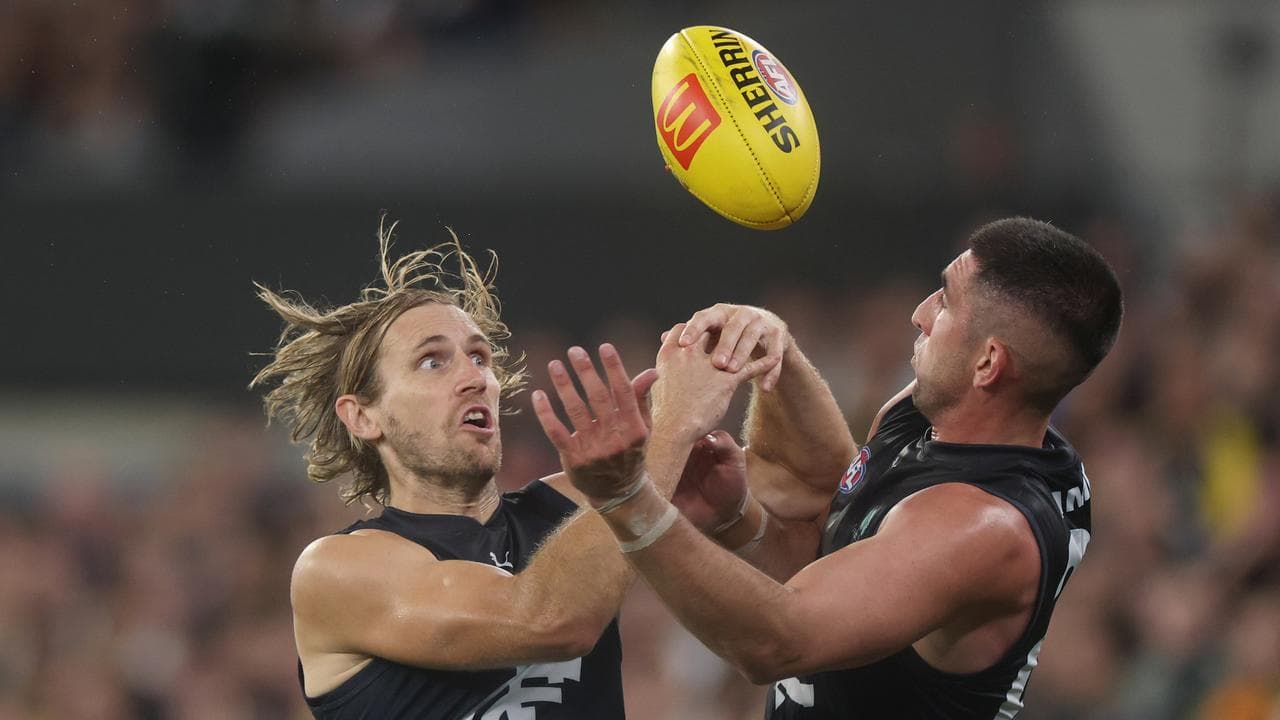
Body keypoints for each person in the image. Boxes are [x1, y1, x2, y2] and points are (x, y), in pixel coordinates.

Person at [542, 217, 1124, 718]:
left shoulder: (983, 526)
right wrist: (734, 518)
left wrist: (630, 501)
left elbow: (779, 642)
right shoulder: (926, 418)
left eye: (945, 300)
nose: (920, 313)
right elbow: (844, 568)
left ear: (989, 363)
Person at [250, 221, 758, 719]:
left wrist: (775, 360)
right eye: (433, 361)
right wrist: (670, 436)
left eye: (479, 357)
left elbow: (803, 516)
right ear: (362, 416)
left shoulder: (577, 505)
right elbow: (549, 620)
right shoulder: (337, 569)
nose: (473, 376)